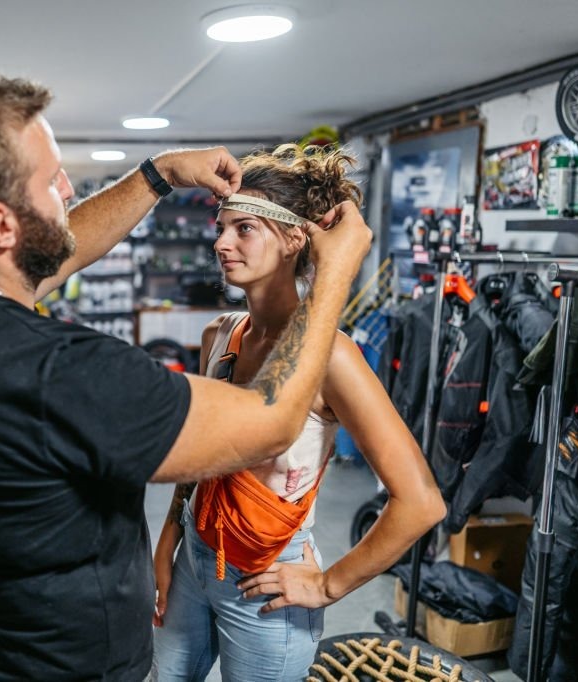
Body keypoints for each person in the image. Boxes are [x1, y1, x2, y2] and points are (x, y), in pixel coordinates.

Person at [0, 70, 372, 681]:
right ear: (0, 227)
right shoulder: (65, 372)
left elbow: (57, 248)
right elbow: (272, 424)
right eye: (50, 180)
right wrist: (335, 278)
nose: (67, 187)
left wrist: (158, 174)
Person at [151, 145, 446, 680]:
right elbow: (200, 452)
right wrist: (171, 539)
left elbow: (421, 502)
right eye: (222, 227)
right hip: (195, 556)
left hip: (267, 583)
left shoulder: (332, 357)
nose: (221, 243)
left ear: (293, 239)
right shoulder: (221, 334)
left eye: (245, 229)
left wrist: (327, 585)